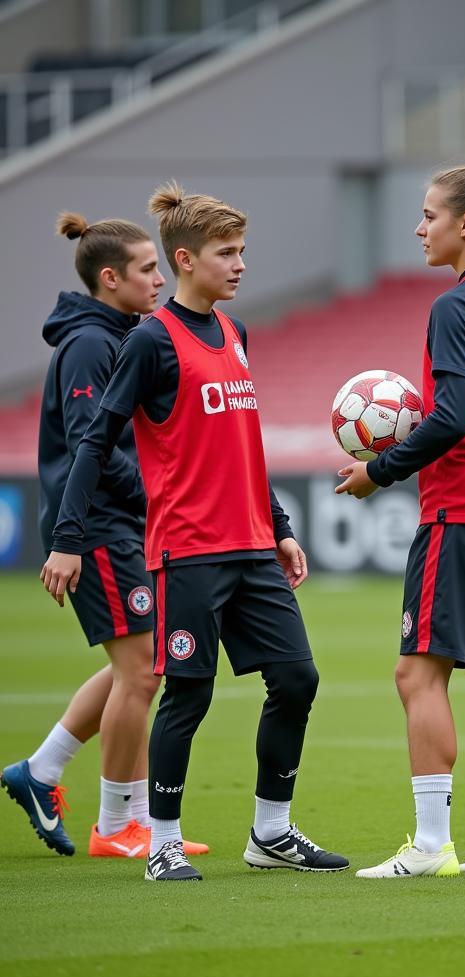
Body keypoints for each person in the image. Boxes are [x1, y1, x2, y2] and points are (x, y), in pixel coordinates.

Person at [40, 183, 348, 882]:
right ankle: (164, 843)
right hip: (190, 551)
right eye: (227, 253)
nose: (240, 265)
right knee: (188, 694)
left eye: (242, 252)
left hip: (251, 547)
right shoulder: (151, 339)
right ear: (186, 259)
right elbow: (93, 443)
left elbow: (242, 442)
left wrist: (281, 526)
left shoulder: (236, 335)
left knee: (297, 679)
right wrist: (67, 536)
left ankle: (271, 832)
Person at [337, 165, 465, 879]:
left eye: (429, 215)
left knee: (416, 674)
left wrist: (379, 470)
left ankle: (431, 846)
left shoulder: (457, 307)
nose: (418, 228)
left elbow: (452, 418)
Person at [2, 213, 207, 861]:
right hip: (98, 526)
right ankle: (120, 825)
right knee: (143, 671)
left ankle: (41, 771)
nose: (160, 278)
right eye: (149, 268)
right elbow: (99, 446)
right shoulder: (91, 345)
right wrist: (160, 497)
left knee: (135, 665)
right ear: (111, 277)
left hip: (115, 524)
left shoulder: (117, 335)